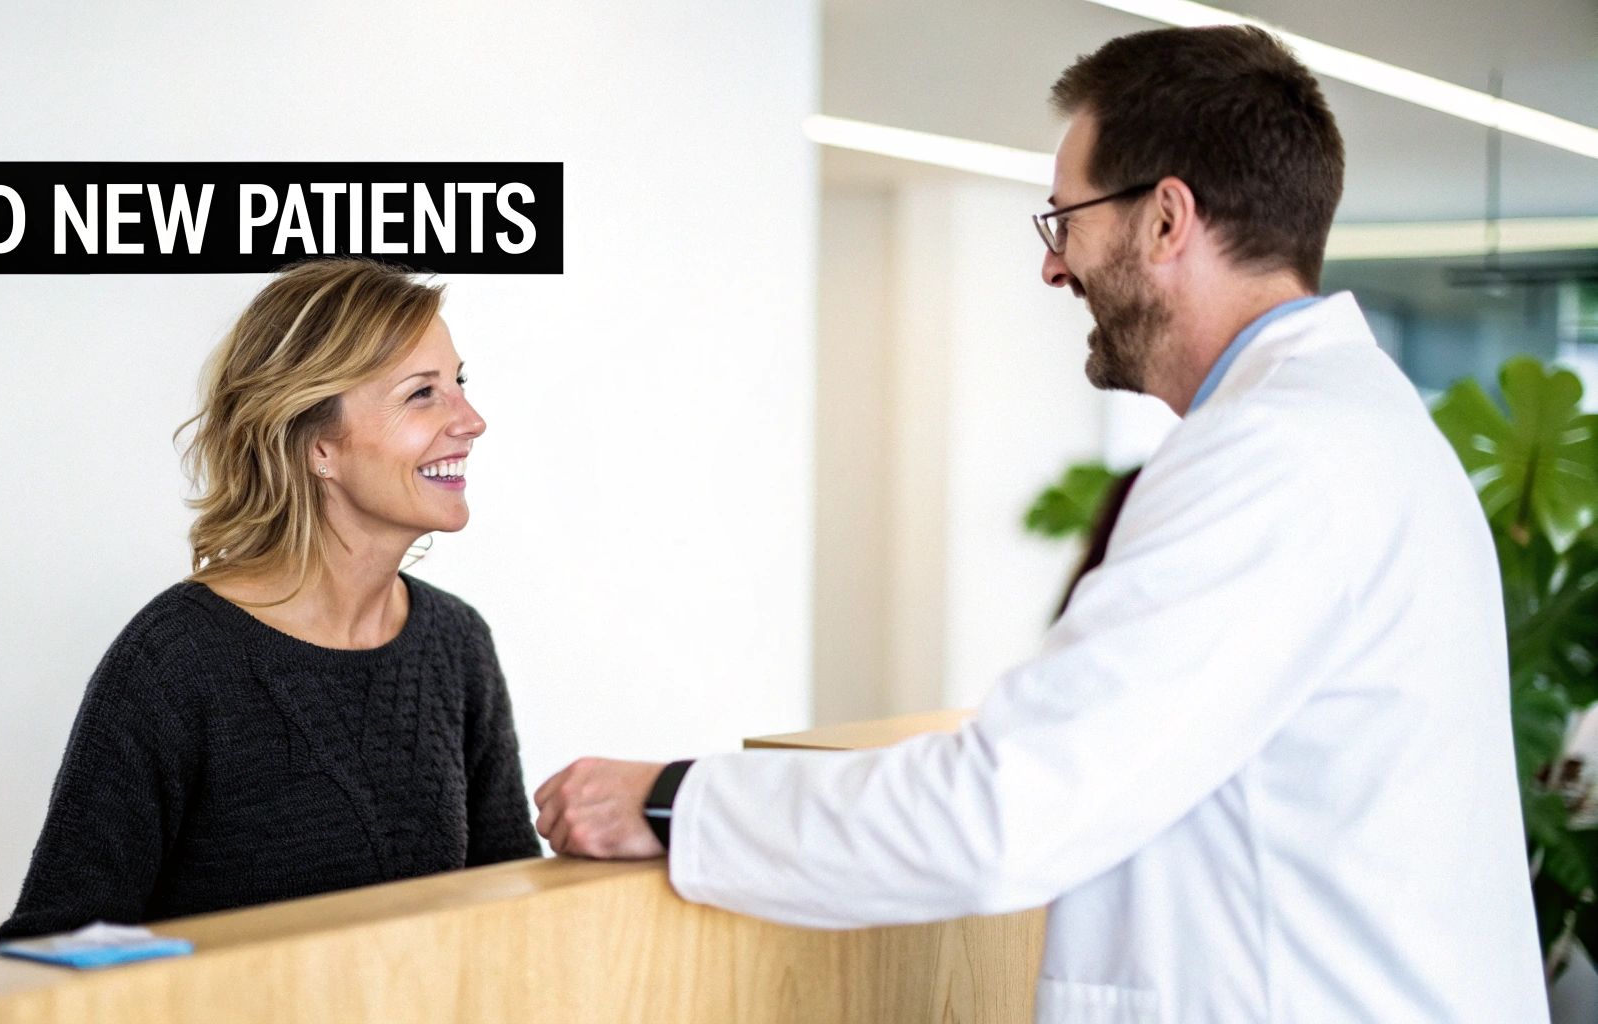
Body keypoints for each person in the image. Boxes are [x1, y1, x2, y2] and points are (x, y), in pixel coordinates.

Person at [532, 25, 1547, 1022]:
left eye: (1064, 220)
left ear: (1164, 220)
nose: (1053, 267)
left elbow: (1002, 812)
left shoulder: (1274, 456)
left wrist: (675, 802)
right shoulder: (1353, 428)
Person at [0, 259, 540, 943]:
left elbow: (511, 917)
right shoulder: (176, 658)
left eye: (458, 383)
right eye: (422, 394)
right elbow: (51, 946)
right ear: (318, 447)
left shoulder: (456, 643)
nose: (473, 420)